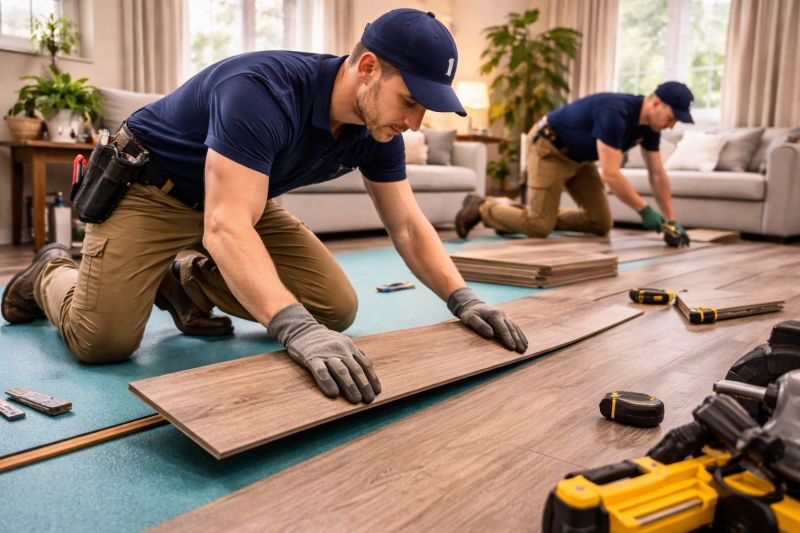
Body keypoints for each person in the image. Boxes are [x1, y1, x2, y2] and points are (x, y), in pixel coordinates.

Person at [1, 9, 528, 405]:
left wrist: (463, 300)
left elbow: (409, 226)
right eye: (410, 101)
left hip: (238, 200)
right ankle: (52, 271)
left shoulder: (378, 130)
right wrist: (291, 330)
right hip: (152, 194)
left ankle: (179, 278)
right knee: (104, 343)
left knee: (334, 309)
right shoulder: (262, 91)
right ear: (367, 68)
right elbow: (226, 227)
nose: (415, 123)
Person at [455, 82, 694, 244]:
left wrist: (671, 220)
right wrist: (644, 210)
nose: (672, 125)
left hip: (581, 160)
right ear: (655, 104)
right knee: (539, 227)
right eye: (672, 117)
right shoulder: (616, 113)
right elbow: (611, 174)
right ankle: (483, 208)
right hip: (550, 148)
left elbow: (657, 174)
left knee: (601, 223)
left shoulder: (650, 128)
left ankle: (519, 214)